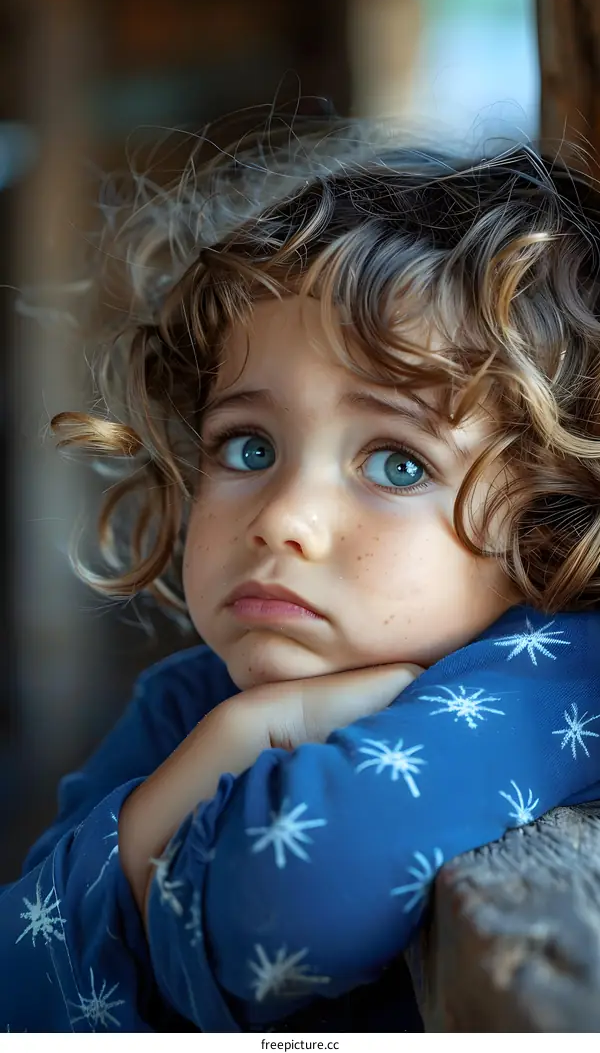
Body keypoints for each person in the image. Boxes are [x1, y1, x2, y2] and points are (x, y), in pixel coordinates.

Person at [3, 114, 600, 1034]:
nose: (283, 517)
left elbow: (287, 898)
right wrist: (223, 750)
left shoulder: (565, 669)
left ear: (549, 527)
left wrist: (141, 860)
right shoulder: (188, 705)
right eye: (248, 444)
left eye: (398, 463)